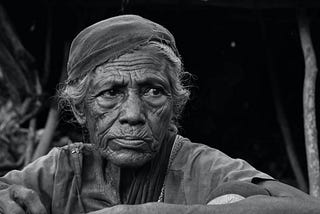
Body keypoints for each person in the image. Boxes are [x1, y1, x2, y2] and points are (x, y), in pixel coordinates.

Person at [0, 14, 319, 214]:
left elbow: (306, 208)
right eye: (111, 93)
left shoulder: (201, 167)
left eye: (154, 91)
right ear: (81, 109)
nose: (134, 115)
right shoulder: (62, 170)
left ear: (174, 104)